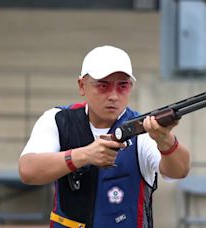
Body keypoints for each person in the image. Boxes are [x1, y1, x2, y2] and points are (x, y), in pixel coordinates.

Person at [19, 45, 191, 228]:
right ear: (81, 86)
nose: (114, 96)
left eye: (122, 86)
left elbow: (179, 171)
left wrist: (165, 140)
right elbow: (28, 170)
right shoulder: (57, 120)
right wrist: (84, 155)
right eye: (103, 85)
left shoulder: (141, 129)